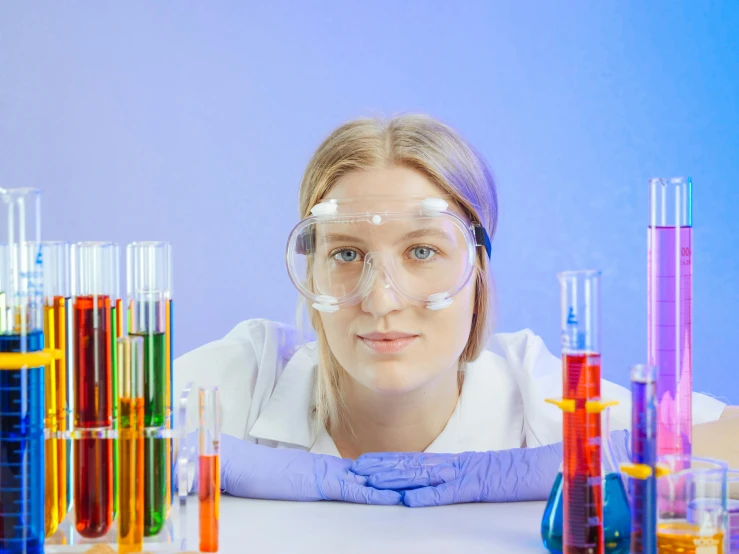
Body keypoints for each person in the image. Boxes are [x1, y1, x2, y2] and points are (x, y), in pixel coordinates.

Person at [175, 114, 738, 507]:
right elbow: (90, 424)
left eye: (423, 251)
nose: (381, 298)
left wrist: (550, 466)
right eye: (346, 253)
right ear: (312, 268)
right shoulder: (249, 377)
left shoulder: (536, 393)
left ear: (479, 271)